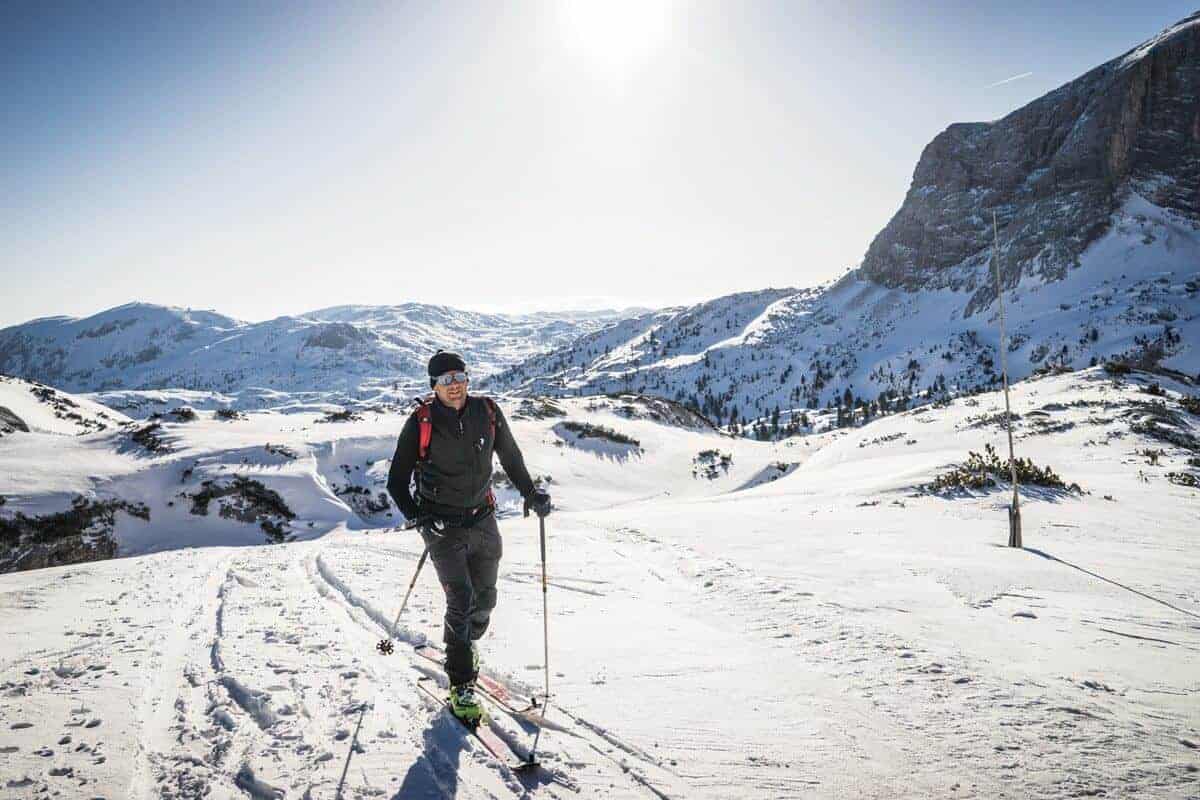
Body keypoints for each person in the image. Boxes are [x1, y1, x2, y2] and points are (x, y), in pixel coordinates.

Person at [386, 350, 552, 724]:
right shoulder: (421, 421)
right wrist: (419, 519)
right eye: (446, 380)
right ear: (433, 385)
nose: (454, 385)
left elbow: (510, 457)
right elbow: (396, 482)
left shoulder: (487, 411)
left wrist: (530, 493)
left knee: (485, 600)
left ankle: (465, 645)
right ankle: (461, 683)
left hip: (483, 520)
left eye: (459, 377)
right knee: (460, 600)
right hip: (442, 527)